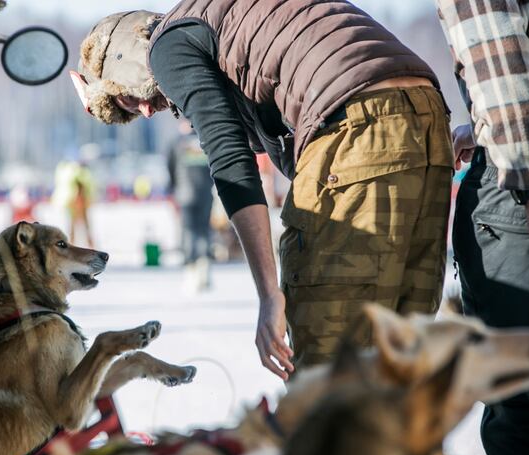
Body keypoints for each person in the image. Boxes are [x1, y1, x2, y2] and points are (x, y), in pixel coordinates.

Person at [69, 4, 455, 379]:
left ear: (125, 58)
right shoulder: (231, 25)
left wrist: (270, 295)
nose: (145, 111)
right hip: (428, 115)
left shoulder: (167, 44)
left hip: (356, 119)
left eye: (126, 99)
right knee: (400, 356)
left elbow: (230, 159)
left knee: (327, 368)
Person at [436, 1, 529, 455]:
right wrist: (485, 127)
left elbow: (499, 56)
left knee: (522, 397)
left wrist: (528, 179)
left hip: (520, 193)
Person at [167, 120, 214, 292]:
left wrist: (173, 191)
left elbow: (170, 169)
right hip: (205, 193)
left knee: (188, 232)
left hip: (184, 194)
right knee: (204, 230)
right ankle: (204, 270)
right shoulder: (205, 141)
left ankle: (191, 271)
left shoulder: (177, 142)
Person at [52, 158, 96, 247]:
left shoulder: (69, 175)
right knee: (80, 226)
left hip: (74, 201)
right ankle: (81, 245)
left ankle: (83, 245)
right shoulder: (79, 175)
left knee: (78, 226)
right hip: (76, 201)